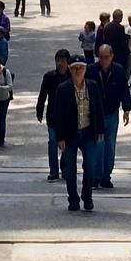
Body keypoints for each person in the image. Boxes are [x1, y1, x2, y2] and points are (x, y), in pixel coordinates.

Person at [48, 58, 103, 212]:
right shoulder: (63, 89)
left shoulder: (92, 86)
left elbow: (98, 108)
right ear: (70, 70)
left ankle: (87, 197)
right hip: (70, 135)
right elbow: (57, 115)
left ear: (85, 69)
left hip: (88, 132)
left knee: (90, 166)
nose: (78, 71)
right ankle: (73, 199)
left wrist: (100, 130)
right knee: (70, 170)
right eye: (74, 68)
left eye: (81, 68)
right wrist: (60, 137)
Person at [90, 43, 131, 187]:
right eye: (101, 58)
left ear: (112, 57)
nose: (103, 61)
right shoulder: (91, 70)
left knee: (110, 146)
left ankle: (106, 176)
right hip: (96, 115)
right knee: (98, 146)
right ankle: (96, 176)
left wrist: (126, 109)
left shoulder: (119, 70)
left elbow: (124, 90)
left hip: (112, 113)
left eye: (106, 58)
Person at [36, 49, 73, 181]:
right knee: (53, 142)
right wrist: (39, 110)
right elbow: (42, 95)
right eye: (58, 61)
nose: (60, 64)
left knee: (67, 144)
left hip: (68, 118)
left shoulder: (73, 76)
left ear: (68, 62)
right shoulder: (49, 76)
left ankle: (64, 167)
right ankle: (53, 170)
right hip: (52, 116)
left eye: (63, 61)